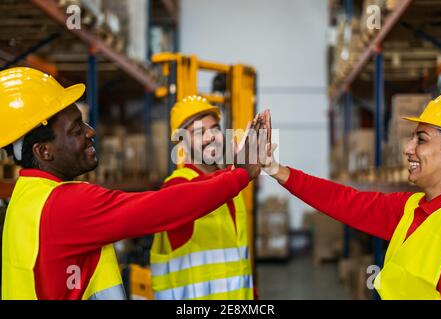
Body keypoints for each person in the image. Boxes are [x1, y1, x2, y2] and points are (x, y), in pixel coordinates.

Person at [0, 67, 261, 300]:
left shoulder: (26, 197)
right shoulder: (64, 204)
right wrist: (240, 174)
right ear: (44, 152)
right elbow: (162, 208)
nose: (91, 132)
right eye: (77, 130)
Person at [261, 91, 441, 299]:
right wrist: (275, 169)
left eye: (421, 140)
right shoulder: (410, 208)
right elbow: (342, 200)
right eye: (411, 138)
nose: (407, 148)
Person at [150, 96, 254, 300]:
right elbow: (201, 192)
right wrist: (238, 171)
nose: (210, 137)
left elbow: (240, 264)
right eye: (199, 132)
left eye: (214, 129)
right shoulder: (176, 186)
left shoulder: (232, 187)